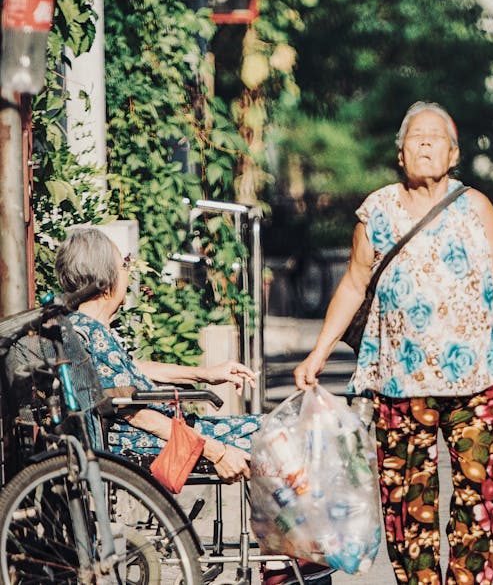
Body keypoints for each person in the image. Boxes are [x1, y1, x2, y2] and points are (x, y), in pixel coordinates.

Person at [294, 101, 493, 585]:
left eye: (435, 137)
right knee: (408, 502)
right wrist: (318, 353)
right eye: (415, 137)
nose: (424, 143)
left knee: (478, 495)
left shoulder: (475, 206)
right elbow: (352, 285)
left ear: (453, 155)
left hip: (475, 378)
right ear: (400, 153)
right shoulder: (378, 210)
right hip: (397, 381)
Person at [58, 228, 334, 585]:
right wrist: (215, 451)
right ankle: (285, 558)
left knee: (279, 427)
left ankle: (286, 551)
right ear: (105, 276)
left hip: (161, 430)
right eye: (124, 263)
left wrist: (204, 374)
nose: (128, 271)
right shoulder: (89, 331)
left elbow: (131, 369)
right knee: (281, 433)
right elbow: (130, 408)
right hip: (150, 439)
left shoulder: (86, 327)